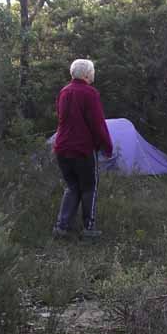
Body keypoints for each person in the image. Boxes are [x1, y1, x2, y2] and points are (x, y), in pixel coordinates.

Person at [53, 59, 113, 239]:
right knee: (89, 188)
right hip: (82, 149)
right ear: (86, 74)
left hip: (62, 148)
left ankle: (61, 227)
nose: (94, 74)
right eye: (93, 71)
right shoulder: (90, 93)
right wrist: (107, 146)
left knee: (72, 187)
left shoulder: (64, 92)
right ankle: (89, 229)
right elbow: (97, 124)